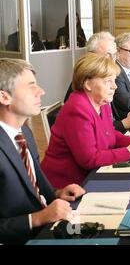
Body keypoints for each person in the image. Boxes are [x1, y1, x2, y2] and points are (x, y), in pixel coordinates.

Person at [0, 58, 85, 245]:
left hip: (48, 228)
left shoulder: (25, 133)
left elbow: (32, 186)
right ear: (4, 97)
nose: (41, 91)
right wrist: (38, 218)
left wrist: (57, 193)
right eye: (31, 87)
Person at [41, 53, 130, 188]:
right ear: (87, 84)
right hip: (68, 186)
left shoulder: (103, 103)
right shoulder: (77, 109)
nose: (115, 86)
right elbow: (89, 159)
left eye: (114, 81)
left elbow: (110, 134)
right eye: (108, 81)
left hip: (94, 175)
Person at [63, 31, 130, 134]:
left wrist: (127, 117)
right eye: (107, 55)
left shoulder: (105, 80)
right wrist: (123, 124)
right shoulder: (86, 87)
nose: (111, 60)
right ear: (90, 55)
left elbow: (108, 121)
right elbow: (97, 132)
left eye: (114, 55)